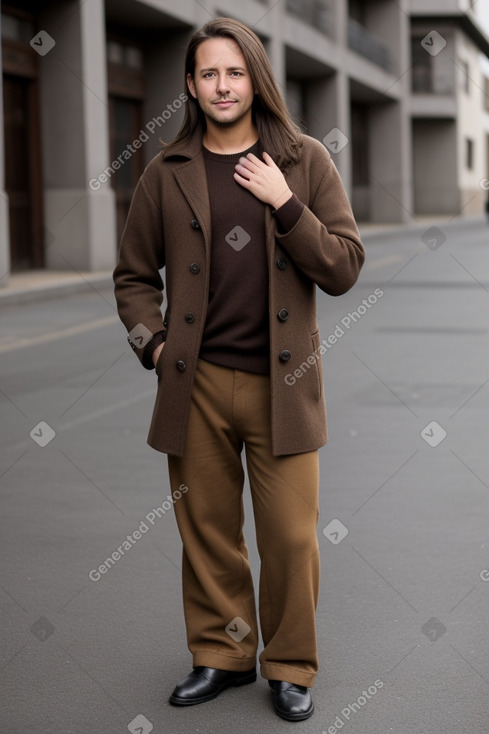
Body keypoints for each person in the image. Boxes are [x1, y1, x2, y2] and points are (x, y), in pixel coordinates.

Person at [113, 17, 365, 722]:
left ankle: (288, 665)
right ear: (190, 85)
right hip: (192, 387)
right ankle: (221, 656)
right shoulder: (167, 171)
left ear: (254, 77)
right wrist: (156, 349)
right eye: (207, 74)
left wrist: (283, 204)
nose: (221, 86)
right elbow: (132, 277)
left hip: (282, 387)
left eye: (233, 71)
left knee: (288, 536)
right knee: (208, 531)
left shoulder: (302, 158)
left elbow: (344, 267)